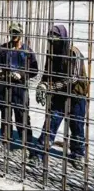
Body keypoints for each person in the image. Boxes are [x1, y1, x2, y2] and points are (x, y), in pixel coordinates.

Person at [30, 25, 88, 170]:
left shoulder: (74, 53)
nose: (53, 43)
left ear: (63, 39)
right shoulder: (52, 53)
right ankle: (39, 153)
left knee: (77, 126)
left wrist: (51, 87)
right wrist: (41, 85)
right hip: (59, 97)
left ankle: (77, 154)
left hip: (76, 96)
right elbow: (46, 73)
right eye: (51, 40)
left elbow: (73, 78)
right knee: (50, 124)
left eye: (55, 40)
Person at [0, 22, 38, 152]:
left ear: (21, 34)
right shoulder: (3, 49)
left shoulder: (27, 51)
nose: (14, 35)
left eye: (17, 33)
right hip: (5, 86)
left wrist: (22, 74)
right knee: (6, 114)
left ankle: (27, 141)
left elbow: (35, 69)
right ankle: (6, 140)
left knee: (22, 114)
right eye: (12, 33)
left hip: (20, 88)